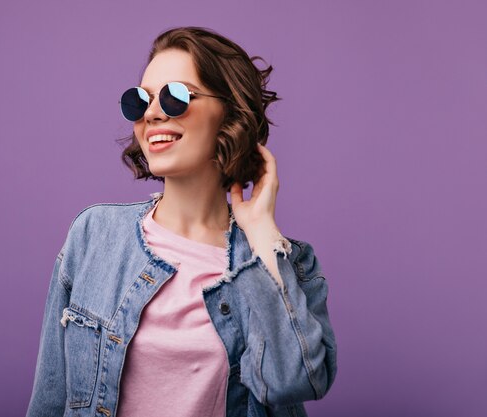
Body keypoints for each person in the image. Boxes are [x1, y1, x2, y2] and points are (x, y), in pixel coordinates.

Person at [26, 26, 337, 417]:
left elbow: (295, 380)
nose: (152, 113)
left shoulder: (286, 262)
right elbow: (50, 402)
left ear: (230, 112)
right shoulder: (94, 236)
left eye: (175, 97)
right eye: (140, 101)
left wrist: (260, 234)